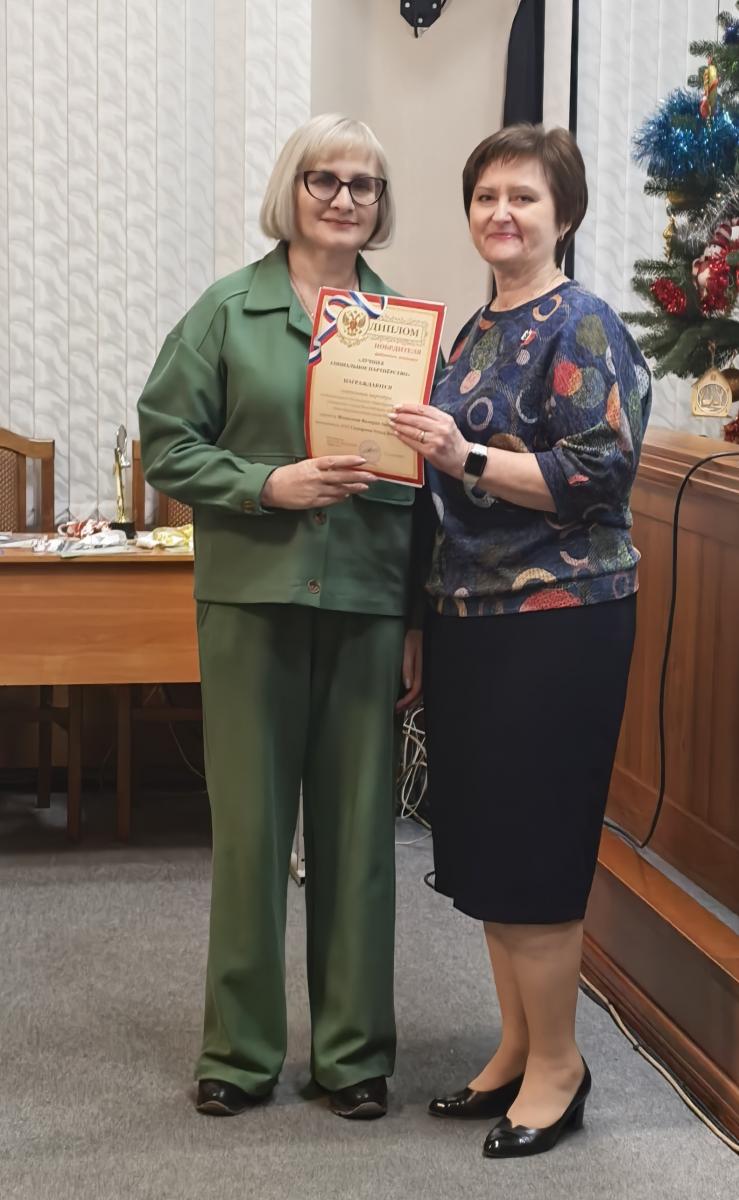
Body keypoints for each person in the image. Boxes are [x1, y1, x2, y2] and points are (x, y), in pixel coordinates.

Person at [137, 113, 422, 1121]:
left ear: (380, 205)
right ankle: (239, 1052)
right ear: (290, 191)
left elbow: (422, 488)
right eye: (323, 179)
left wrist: (416, 620)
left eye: (362, 184)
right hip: (251, 600)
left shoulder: (402, 329)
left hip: (366, 603)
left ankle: (353, 1055)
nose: (343, 198)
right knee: (251, 836)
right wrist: (266, 483)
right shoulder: (226, 311)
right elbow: (166, 442)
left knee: (360, 837)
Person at [391, 123, 651, 1158]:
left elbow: (598, 472)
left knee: (536, 853)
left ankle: (559, 1068)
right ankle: (515, 1046)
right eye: (486, 196)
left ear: (564, 215)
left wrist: (462, 456)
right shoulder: (475, 329)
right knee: (493, 847)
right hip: (470, 618)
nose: (501, 214)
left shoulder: (581, 322)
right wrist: (422, 617)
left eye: (524, 198)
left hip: (560, 620)